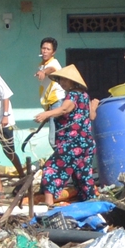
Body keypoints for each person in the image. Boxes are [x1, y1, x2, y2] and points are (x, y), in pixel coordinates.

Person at [25, 63, 95, 204]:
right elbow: (91, 116)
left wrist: (47, 114)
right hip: (86, 144)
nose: (61, 83)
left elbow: (64, 109)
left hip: (73, 144)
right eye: (60, 80)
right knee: (83, 177)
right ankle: (90, 204)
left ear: (71, 81)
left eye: (64, 80)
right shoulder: (85, 96)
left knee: (51, 168)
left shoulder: (73, 95)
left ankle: (49, 206)